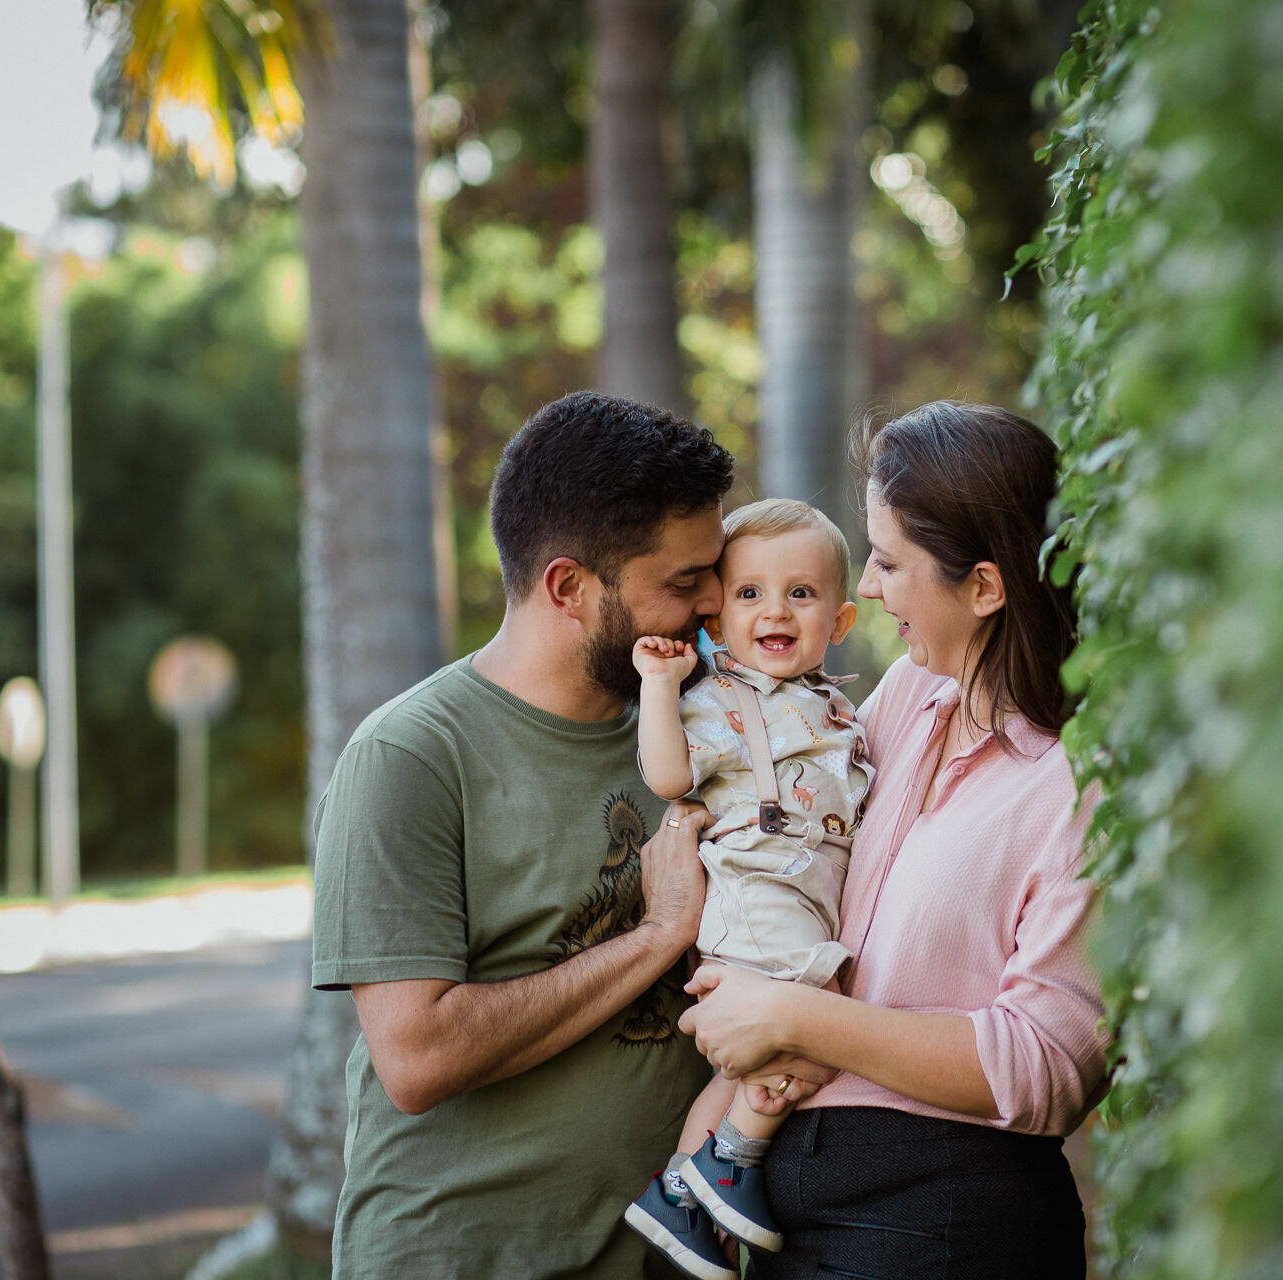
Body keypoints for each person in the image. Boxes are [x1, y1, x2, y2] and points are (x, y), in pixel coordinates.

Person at [677, 401, 1110, 1278]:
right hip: (791, 1200)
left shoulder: (1075, 788)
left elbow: (1048, 1067)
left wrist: (797, 1015)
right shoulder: (909, 701)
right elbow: (799, 820)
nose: (866, 588)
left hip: (937, 1222)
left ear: (985, 587)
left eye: (887, 561)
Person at [309, 391, 736, 1279]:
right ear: (570, 588)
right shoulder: (411, 756)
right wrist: (659, 935)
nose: (715, 606)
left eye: (715, 571)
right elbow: (415, 1057)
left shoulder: (705, 728)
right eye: (683, 582)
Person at [621, 500, 872, 1280]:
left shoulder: (837, 709)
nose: (775, 610)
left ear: (841, 619)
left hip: (801, 901)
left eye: (801, 594)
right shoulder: (720, 701)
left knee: (742, 1068)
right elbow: (667, 775)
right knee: (816, 1036)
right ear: (717, 618)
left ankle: (679, 1194)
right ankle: (731, 1161)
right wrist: (660, 687)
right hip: (754, 899)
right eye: (750, 593)